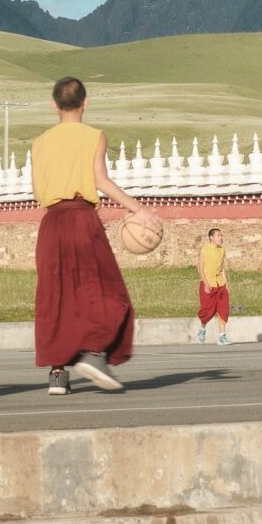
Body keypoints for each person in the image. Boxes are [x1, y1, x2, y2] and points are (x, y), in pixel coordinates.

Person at [30, 76, 161, 395]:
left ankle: (57, 374)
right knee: (105, 288)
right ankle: (94, 353)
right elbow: (100, 180)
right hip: (81, 219)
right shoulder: (94, 136)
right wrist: (137, 209)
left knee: (56, 294)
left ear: (53, 105)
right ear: (85, 102)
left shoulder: (40, 142)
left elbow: (38, 191)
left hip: (51, 224)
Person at [197, 228, 233, 346]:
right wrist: (206, 284)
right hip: (208, 283)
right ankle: (202, 328)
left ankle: (222, 336)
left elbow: (222, 268)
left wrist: (226, 285)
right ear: (211, 237)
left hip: (220, 283)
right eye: (218, 236)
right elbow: (200, 268)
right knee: (207, 311)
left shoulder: (222, 250)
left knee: (223, 309)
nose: (220, 238)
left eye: (221, 235)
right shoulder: (205, 249)